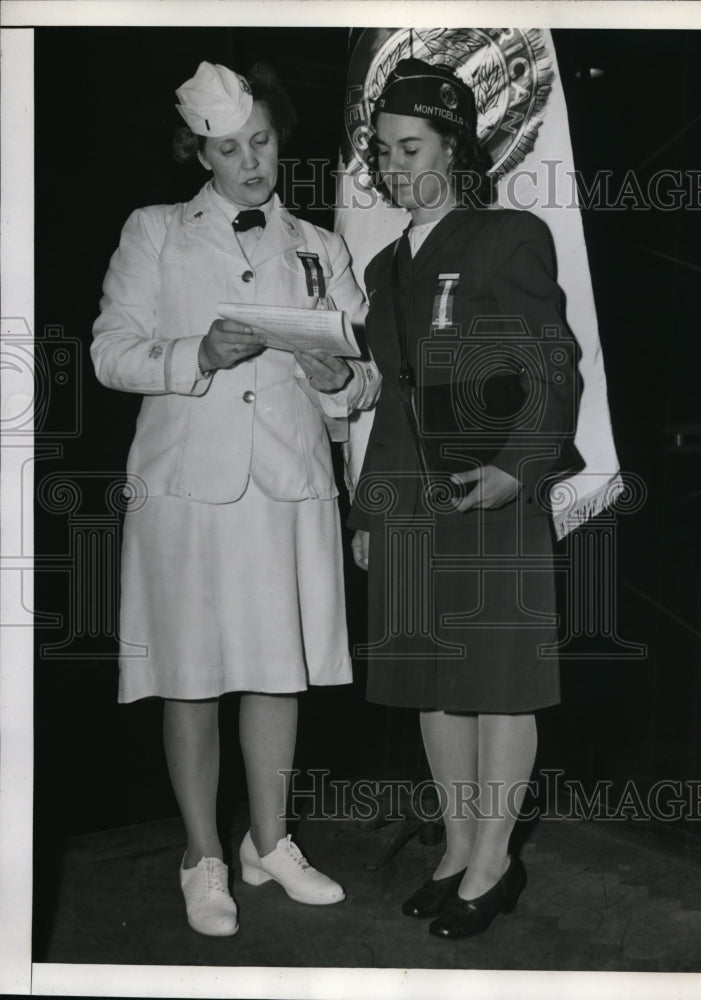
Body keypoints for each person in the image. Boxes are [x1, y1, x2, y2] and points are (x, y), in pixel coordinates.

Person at [92, 60, 378, 937]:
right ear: (199, 154)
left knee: (273, 672)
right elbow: (111, 352)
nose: (250, 161)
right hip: (187, 489)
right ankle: (199, 855)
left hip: (286, 487)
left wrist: (340, 376)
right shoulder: (155, 233)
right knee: (190, 678)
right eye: (228, 148)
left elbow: (363, 384)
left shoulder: (321, 246)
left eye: (260, 142)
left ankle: (268, 840)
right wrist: (195, 356)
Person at [349, 58, 583, 939]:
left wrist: (521, 468)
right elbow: (394, 400)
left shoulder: (508, 234)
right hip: (409, 496)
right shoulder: (382, 266)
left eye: (412, 148)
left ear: (455, 147)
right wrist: (371, 510)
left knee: (497, 684)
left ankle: (494, 861)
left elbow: (552, 361)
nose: (394, 167)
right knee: (429, 683)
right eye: (382, 152)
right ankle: (453, 846)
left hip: (489, 486)